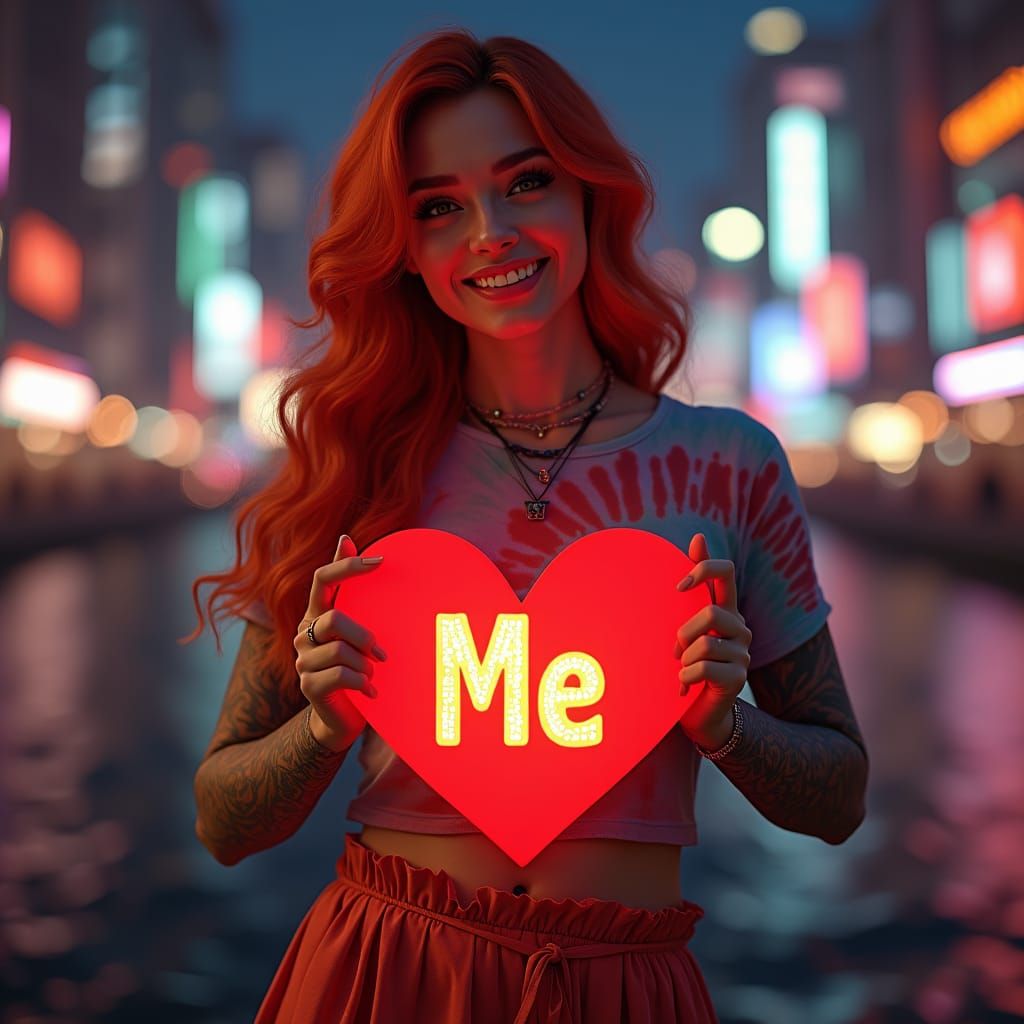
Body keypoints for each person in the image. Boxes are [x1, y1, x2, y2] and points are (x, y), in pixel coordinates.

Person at [185, 26, 869, 1023]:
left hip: (623, 988)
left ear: (590, 193)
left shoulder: (729, 462)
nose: (488, 231)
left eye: (527, 182)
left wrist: (727, 727)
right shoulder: (353, 469)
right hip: (384, 973)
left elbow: (840, 797)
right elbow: (221, 819)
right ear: (404, 250)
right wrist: (325, 726)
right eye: (438, 207)